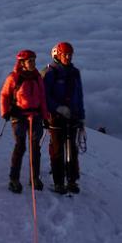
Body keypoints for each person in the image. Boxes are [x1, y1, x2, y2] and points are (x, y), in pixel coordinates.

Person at [0, 49, 49, 193]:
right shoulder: (14, 77)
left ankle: (34, 178)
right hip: (19, 116)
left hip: (36, 116)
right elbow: (4, 95)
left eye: (34, 60)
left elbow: (42, 99)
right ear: (22, 63)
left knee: (35, 149)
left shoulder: (37, 77)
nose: (33, 63)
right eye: (30, 61)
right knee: (20, 147)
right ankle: (14, 179)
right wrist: (5, 112)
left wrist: (45, 117)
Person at [43, 41, 84, 194]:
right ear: (57, 55)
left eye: (70, 54)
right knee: (58, 150)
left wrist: (81, 117)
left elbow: (78, 96)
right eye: (65, 54)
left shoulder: (74, 73)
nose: (68, 57)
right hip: (55, 117)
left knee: (72, 149)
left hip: (72, 116)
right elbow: (45, 96)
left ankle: (72, 181)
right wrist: (57, 108)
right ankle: (59, 182)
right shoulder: (50, 73)